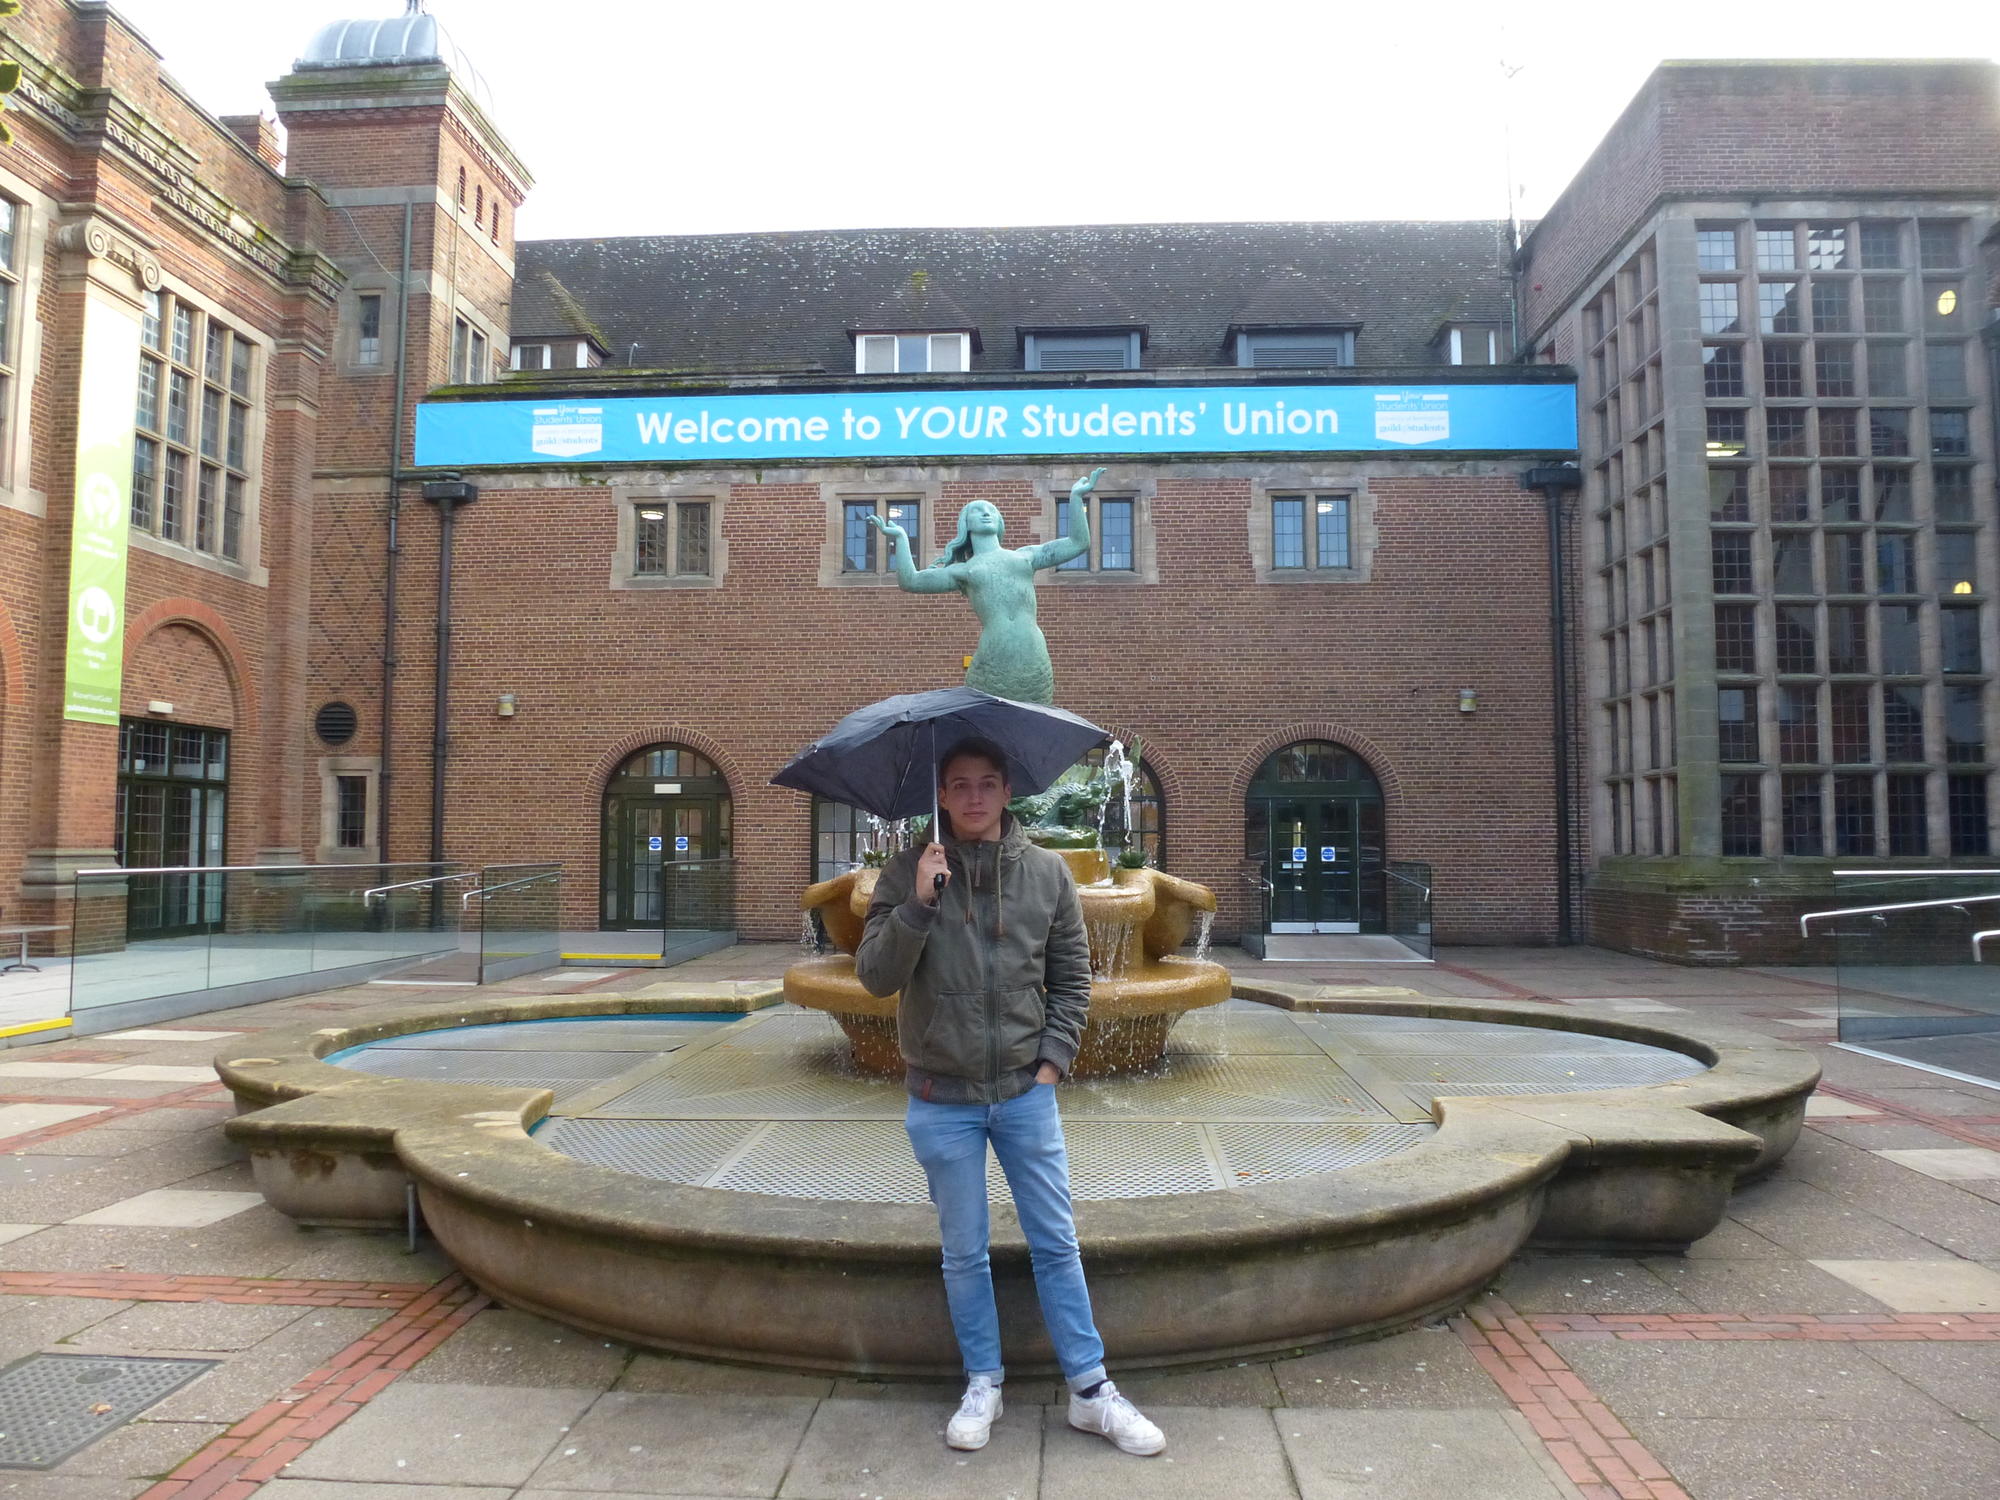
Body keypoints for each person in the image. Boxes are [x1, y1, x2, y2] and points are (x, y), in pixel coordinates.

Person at [854, 735, 1165, 1458]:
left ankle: (1092, 1391)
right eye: (958, 784)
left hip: (1025, 1094)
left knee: (1056, 1244)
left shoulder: (1048, 875)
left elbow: (1073, 979)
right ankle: (983, 1382)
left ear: (1006, 792)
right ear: (940, 794)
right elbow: (874, 976)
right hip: (941, 1100)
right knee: (963, 1254)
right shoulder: (906, 874)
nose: (972, 797)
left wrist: (1051, 1064)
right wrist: (920, 906)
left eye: (986, 783)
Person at [864, 468, 1104, 706]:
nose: (985, 513)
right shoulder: (964, 570)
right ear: (966, 524)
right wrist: (901, 538)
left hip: (1033, 653)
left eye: (991, 511)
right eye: (977, 511)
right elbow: (911, 581)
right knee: (990, 726)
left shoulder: (1025, 557)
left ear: (1000, 521)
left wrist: (1075, 498)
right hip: (992, 655)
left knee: (1035, 721)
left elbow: (1078, 543)